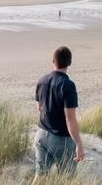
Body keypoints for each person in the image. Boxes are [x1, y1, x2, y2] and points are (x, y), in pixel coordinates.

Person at [34, 46, 82, 175]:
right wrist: (78, 144)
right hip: (61, 139)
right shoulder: (68, 85)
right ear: (69, 63)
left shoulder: (42, 80)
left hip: (41, 134)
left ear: (53, 61)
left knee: (40, 176)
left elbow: (39, 107)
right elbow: (70, 118)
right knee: (67, 178)